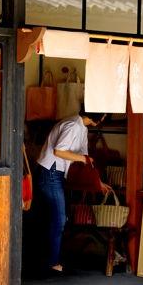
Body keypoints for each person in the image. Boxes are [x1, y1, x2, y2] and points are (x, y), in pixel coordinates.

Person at [35, 107, 111, 274]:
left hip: (54, 174)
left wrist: (98, 181)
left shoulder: (81, 126)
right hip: (51, 172)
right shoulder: (72, 125)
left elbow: (85, 161)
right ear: (97, 114)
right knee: (59, 219)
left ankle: (48, 260)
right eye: (104, 113)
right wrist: (83, 158)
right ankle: (52, 262)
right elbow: (59, 151)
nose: (105, 116)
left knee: (54, 218)